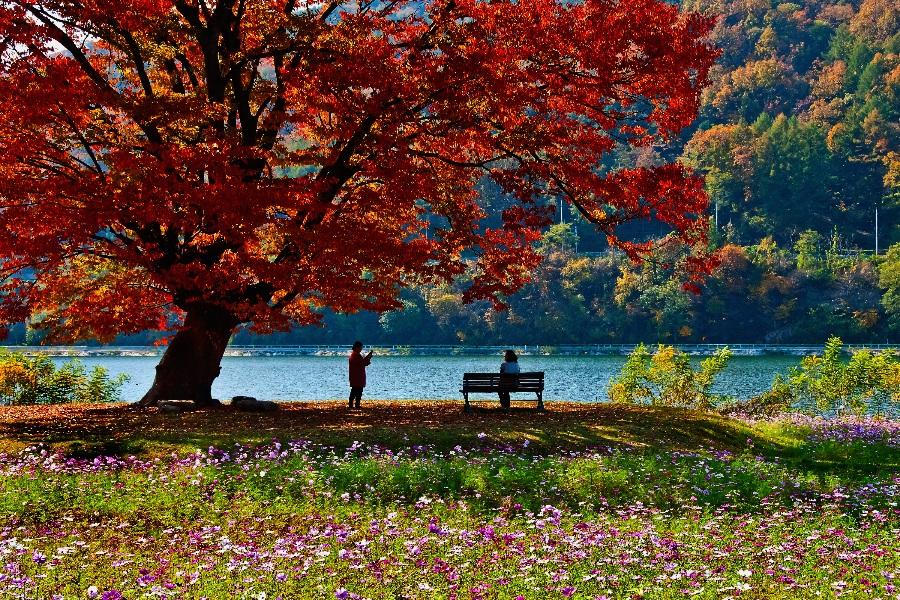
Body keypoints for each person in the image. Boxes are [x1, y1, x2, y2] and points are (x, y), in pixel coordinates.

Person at [348, 341, 372, 409]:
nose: (361, 349)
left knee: (356, 390)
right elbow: (362, 363)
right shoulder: (356, 355)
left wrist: (368, 358)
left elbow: (362, 363)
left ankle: (354, 404)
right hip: (357, 376)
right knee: (356, 391)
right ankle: (354, 405)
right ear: (357, 347)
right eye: (361, 347)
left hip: (356, 376)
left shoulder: (354, 355)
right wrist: (368, 358)